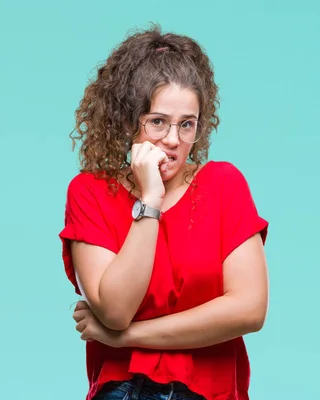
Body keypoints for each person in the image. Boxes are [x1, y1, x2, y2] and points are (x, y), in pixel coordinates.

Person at [58, 25, 269, 400]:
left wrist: (125, 339)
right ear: (128, 122)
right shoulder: (89, 192)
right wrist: (150, 201)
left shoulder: (223, 183)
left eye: (187, 124)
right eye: (158, 122)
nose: (173, 140)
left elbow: (249, 310)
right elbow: (116, 310)